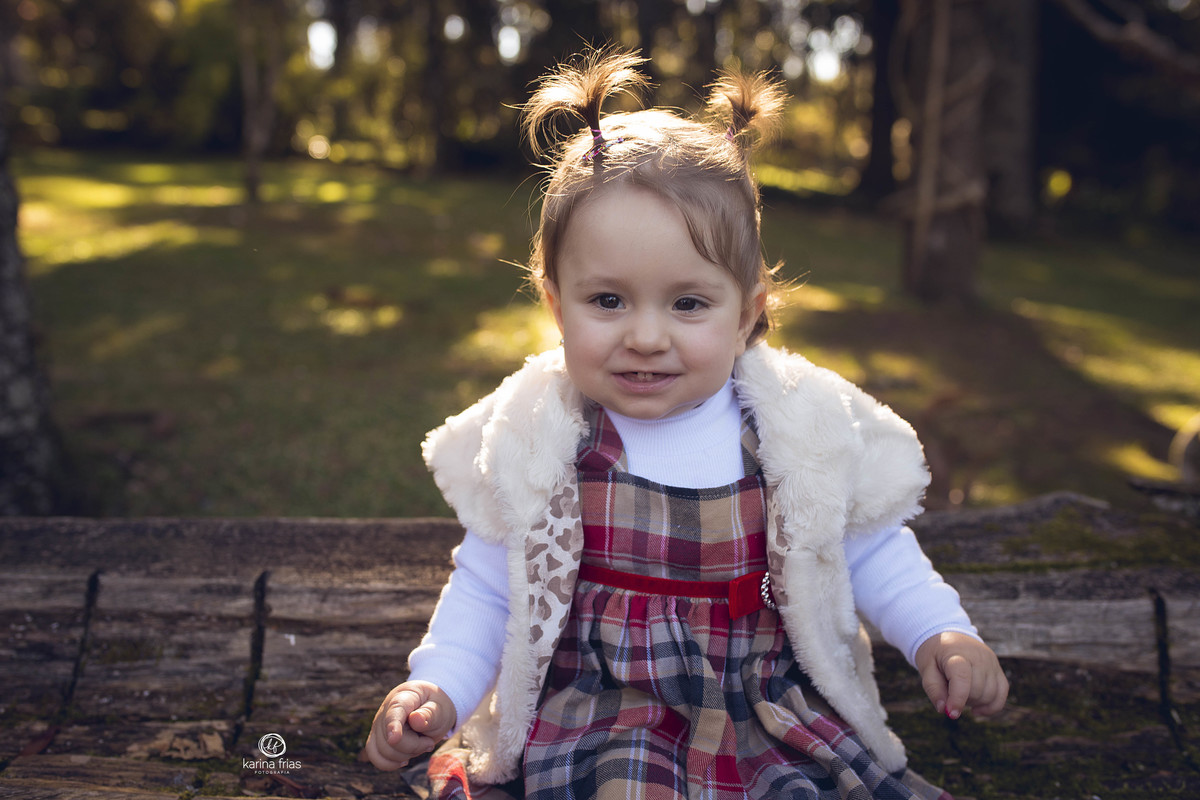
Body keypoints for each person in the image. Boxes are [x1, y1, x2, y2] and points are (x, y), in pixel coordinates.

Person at [362, 48, 1008, 799]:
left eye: (688, 304)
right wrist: (436, 688)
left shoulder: (793, 431)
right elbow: (488, 588)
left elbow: (866, 550)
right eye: (607, 301)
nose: (644, 336)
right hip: (601, 718)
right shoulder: (539, 438)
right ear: (552, 302)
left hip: (765, 710)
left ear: (750, 312)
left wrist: (941, 632)